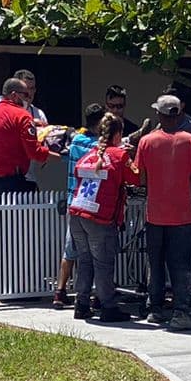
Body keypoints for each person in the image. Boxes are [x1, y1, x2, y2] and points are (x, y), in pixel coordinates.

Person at [134, 94, 191, 329]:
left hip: (155, 214)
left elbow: (141, 178)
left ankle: (155, 309)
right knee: (182, 266)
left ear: (159, 114)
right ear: (178, 114)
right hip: (182, 215)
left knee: (155, 264)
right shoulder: (190, 140)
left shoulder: (146, 142)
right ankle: (181, 311)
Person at [68, 113, 134, 323]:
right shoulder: (119, 155)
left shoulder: (89, 154)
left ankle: (81, 304)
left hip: (77, 213)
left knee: (85, 261)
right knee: (103, 262)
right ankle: (108, 307)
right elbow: (136, 177)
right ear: (118, 134)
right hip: (99, 218)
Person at [54, 103, 106, 308]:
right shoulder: (97, 146)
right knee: (94, 251)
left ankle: (60, 291)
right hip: (91, 202)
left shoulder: (75, 141)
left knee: (70, 249)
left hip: (72, 200)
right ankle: (97, 294)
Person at [0, 77, 58, 192]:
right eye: (26, 95)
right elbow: (34, 152)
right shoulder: (22, 116)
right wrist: (60, 156)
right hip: (12, 181)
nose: (29, 98)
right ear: (14, 95)